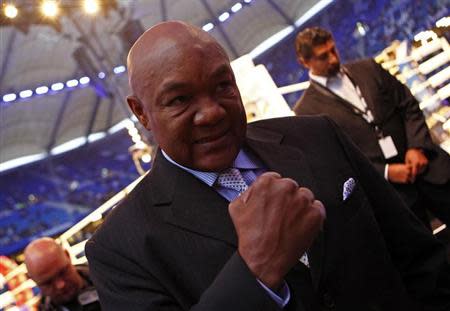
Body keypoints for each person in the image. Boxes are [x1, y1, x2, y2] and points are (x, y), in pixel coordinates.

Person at [85, 21, 450, 310]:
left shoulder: (318, 136)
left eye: (222, 85)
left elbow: (420, 260)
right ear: (141, 112)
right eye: (179, 99)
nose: (212, 112)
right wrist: (254, 275)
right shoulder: (120, 249)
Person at [293, 27, 450, 228]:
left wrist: (417, 147)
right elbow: (336, 160)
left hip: (429, 169)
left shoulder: (368, 68)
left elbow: (408, 105)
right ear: (304, 62)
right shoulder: (307, 110)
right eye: (323, 57)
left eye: (333, 50)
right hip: (391, 199)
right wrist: (385, 172)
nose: (333, 59)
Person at [24, 237, 101, 311]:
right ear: (33, 280)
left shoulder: (106, 277)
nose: (60, 285)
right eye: (48, 282)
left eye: (62, 272)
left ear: (67, 255)